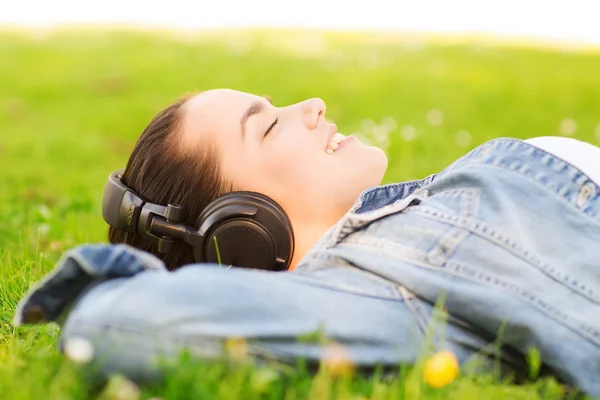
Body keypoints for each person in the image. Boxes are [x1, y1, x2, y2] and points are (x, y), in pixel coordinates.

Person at [13, 89, 600, 396]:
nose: (312, 106)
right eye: (267, 126)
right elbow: (115, 323)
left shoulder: (396, 233)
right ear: (245, 235)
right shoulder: (373, 295)